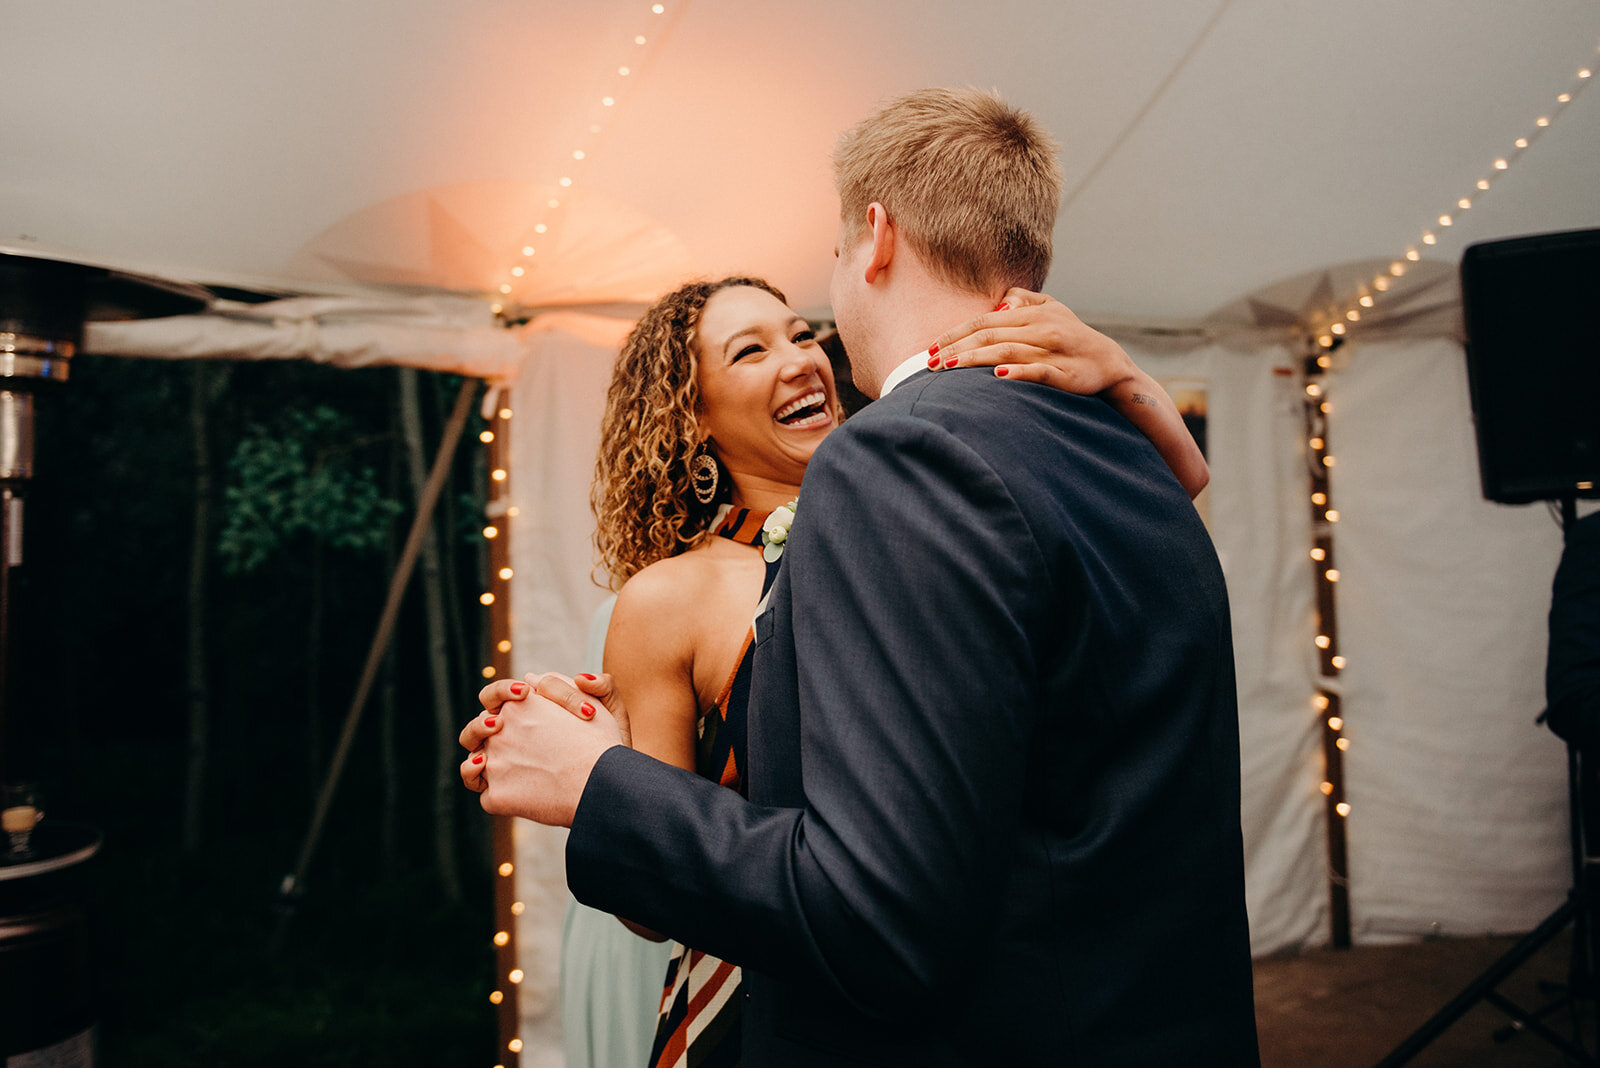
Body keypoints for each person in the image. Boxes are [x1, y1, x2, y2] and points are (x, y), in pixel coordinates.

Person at [465, 87, 1258, 1064]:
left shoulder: (900, 460)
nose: (807, 348)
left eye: (815, 291)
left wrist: (598, 784)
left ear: (872, 237)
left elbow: (880, 916)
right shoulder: (1138, 452)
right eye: (749, 350)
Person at [557, 273, 1208, 1068]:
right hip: (766, 1005)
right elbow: (651, 909)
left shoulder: (923, 509)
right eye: (751, 352)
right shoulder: (670, 598)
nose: (801, 360)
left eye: (801, 334)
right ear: (689, 417)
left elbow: (1125, 548)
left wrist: (1127, 379)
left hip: (967, 987)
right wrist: (599, 774)